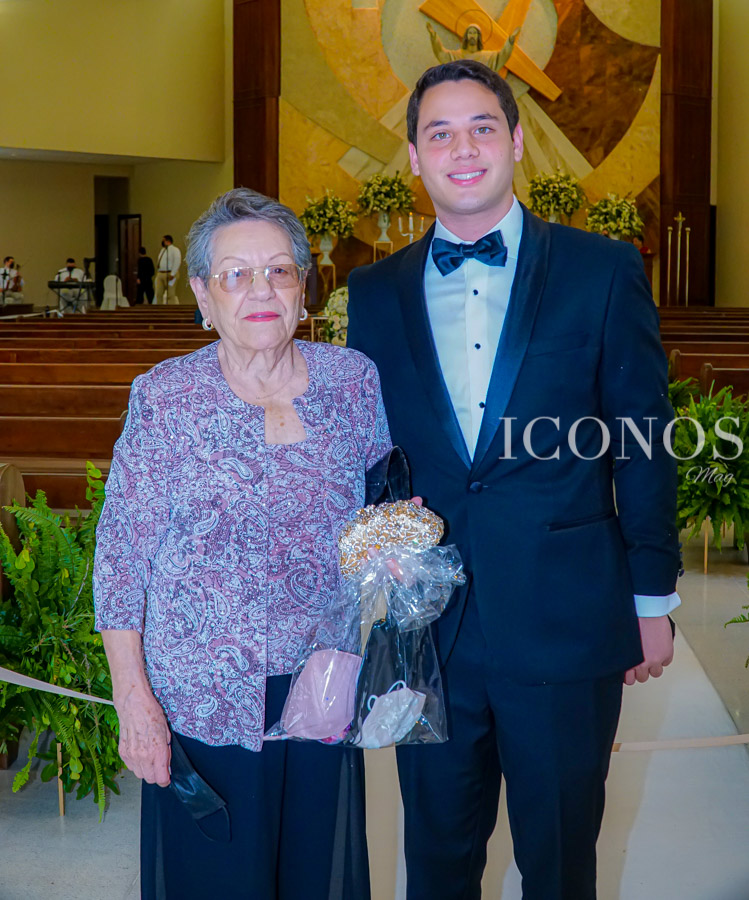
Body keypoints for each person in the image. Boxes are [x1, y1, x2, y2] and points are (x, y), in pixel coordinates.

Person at [347, 59, 680, 900]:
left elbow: (642, 439)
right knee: (437, 860)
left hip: (565, 620)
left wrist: (651, 601)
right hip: (432, 634)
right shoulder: (373, 292)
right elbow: (374, 456)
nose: (462, 149)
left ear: (517, 141)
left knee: (561, 858)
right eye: (439, 133)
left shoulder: (601, 270)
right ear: (415, 159)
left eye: (481, 127)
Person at [94, 187, 389, 899]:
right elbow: (120, 557)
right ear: (202, 292)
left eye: (279, 271)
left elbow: (379, 518)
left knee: (313, 873)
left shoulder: (353, 383)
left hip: (318, 689)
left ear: (302, 286)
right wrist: (134, 701)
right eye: (235, 273)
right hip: (200, 701)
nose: (261, 289)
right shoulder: (166, 397)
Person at [427, 22, 520, 73]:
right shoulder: (456, 56)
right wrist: (433, 37)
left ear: (479, 36)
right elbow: (440, 52)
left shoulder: (488, 57)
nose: (472, 35)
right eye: (470, 33)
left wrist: (510, 41)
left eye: (475, 33)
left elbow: (503, 55)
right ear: (466, 36)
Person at [154, 234, 182, 304]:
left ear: (168, 241)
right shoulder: (163, 250)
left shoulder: (175, 250)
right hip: (161, 273)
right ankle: (159, 310)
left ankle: (171, 311)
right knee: (158, 293)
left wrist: (173, 273)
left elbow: (177, 261)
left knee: (170, 294)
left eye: (163, 240)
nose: (162, 242)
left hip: (170, 274)